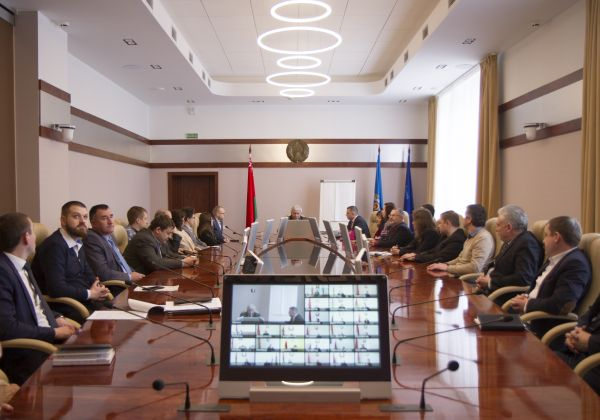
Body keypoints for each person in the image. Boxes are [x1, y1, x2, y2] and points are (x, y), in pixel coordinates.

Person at [0, 212, 78, 385]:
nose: (36, 238)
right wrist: (54, 333)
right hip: (30, 352)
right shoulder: (2, 272)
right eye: (33, 233)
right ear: (26, 237)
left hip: (48, 340)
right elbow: (7, 328)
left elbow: (35, 303)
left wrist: (57, 317)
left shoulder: (22, 264)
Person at [509, 216, 591, 336]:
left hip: (543, 329)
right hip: (527, 319)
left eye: (546, 235)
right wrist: (526, 296)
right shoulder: (556, 257)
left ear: (556, 237)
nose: (543, 241)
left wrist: (527, 304)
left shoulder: (576, 264)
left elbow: (562, 304)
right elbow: (540, 287)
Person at [32, 201, 110, 323]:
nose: (83, 221)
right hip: (66, 307)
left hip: (82, 300)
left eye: (85, 217)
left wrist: (99, 288)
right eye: (76, 216)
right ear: (63, 221)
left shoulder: (77, 241)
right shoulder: (54, 246)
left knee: (118, 313)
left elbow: (88, 272)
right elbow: (56, 288)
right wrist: (90, 293)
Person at [475, 205, 543, 301]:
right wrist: (485, 276)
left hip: (503, 297)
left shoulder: (527, 244)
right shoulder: (510, 240)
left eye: (498, 225)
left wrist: (490, 282)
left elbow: (523, 278)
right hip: (490, 291)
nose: (496, 229)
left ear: (508, 227)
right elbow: (497, 264)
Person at [83, 204, 144, 286]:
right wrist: (129, 276)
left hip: (130, 282)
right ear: (93, 223)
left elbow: (121, 262)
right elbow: (103, 273)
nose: (110, 222)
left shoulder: (110, 235)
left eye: (111, 216)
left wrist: (134, 273)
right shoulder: (91, 239)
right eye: (104, 218)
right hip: (117, 287)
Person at [427, 204, 495, 277]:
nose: (463, 219)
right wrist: (444, 264)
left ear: (469, 219)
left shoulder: (483, 238)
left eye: (465, 216)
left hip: (467, 279)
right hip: (457, 274)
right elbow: (460, 259)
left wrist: (447, 268)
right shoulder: (471, 236)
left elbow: (475, 268)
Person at [123, 214, 197, 274]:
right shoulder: (144, 239)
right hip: (138, 280)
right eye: (168, 233)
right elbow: (155, 263)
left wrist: (186, 259)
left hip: (152, 276)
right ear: (158, 230)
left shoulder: (156, 238)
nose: (169, 237)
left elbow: (167, 255)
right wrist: (183, 263)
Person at [556, 294, 600, 394]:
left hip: (594, 368)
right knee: (545, 361)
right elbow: (590, 313)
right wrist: (576, 332)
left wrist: (590, 342)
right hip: (580, 355)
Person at [400, 210, 466, 263]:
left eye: (440, 223)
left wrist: (416, 257)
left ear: (447, 223)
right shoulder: (445, 237)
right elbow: (433, 251)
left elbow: (440, 257)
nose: (438, 226)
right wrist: (415, 255)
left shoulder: (457, 240)